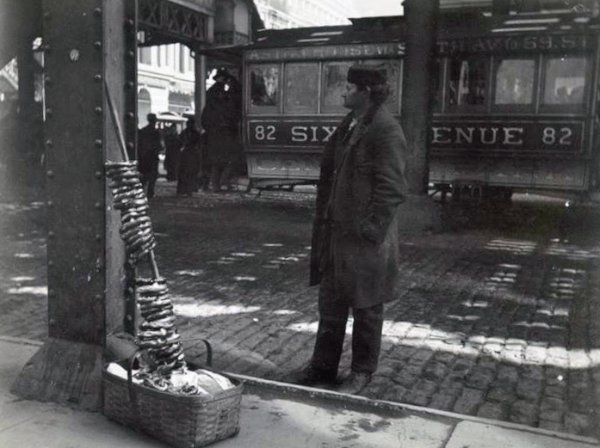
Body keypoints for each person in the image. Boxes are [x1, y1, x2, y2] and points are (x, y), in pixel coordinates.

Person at [296, 64, 408, 395]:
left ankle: (361, 372)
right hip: (337, 236)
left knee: (366, 306)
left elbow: (391, 189)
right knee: (330, 303)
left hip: (364, 240)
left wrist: (370, 231)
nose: (342, 92)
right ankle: (323, 366)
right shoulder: (350, 125)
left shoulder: (385, 130)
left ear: (366, 92)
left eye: (349, 87)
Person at [201, 68, 241, 192]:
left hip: (214, 129)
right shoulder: (217, 92)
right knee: (222, 159)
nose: (225, 82)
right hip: (219, 130)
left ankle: (216, 184)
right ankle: (218, 184)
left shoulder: (213, 91)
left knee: (216, 161)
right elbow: (225, 108)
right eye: (224, 79)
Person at [137, 113, 163, 199]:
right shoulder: (155, 132)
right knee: (152, 175)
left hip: (144, 156)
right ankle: (150, 193)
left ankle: (139, 191)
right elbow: (158, 145)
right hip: (152, 156)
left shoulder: (143, 130)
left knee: (144, 175)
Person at [176, 117, 202, 196]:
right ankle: (187, 190)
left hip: (188, 152)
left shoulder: (187, 132)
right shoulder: (193, 133)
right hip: (190, 153)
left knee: (187, 172)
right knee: (188, 172)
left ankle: (185, 190)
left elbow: (179, 142)